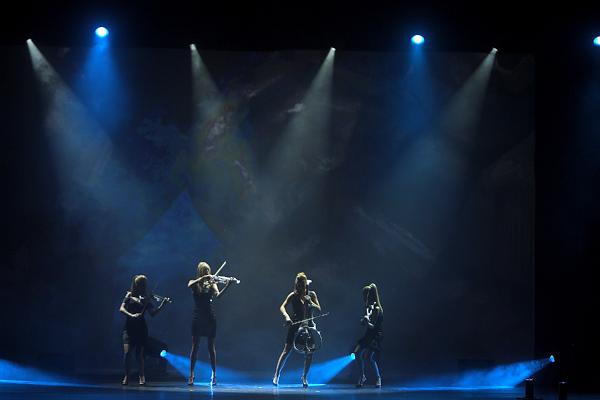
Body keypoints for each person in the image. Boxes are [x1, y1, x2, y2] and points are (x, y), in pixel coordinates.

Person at [187, 261, 234, 385]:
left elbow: (218, 295)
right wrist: (202, 279)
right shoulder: (194, 283)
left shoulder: (212, 283)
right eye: (205, 271)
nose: (208, 273)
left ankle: (214, 375)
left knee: (211, 347)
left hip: (209, 317)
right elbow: (189, 285)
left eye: (208, 271)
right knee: (195, 346)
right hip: (198, 317)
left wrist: (227, 285)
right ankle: (191, 374)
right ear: (200, 272)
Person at [273, 272, 321, 388]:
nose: (300, 287)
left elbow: (319, 309)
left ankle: (304, 377)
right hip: (295, 324)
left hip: (309, 326)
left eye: (302, 285)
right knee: (286, 351)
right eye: (298, 285)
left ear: (305, 284)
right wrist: (286, 317)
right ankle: (276, 375)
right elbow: (282, 306)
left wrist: (310, 302)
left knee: (309, 352)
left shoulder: (312, 294)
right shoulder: (293, 295)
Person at [120, 274, 168, 385]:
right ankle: (126, 376)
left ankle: (142, 376)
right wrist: (131, 315)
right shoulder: (129, 295)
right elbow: (121, 308)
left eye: (143, 284)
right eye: (140, 284)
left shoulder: (146, 299)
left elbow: (153, 313)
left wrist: (162, 304)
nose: (142, 286)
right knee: (127, 353)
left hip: (141, 328)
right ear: (135, 284)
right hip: (129, 328)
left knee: (139, 355)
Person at [352, 283, 383, 388]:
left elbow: (373, 326)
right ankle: (362, 376)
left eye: (367, 296)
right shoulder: (369, 307)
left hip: (375, 335)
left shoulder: (377, 309)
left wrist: (366, 321)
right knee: (357, 353)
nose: (365, 299)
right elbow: (365, 323)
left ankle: (378, 378)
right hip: (368, 334)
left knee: (370, 357)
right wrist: (364, 320)